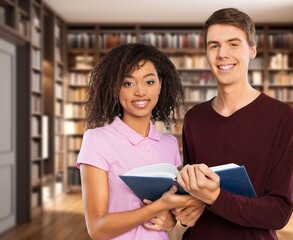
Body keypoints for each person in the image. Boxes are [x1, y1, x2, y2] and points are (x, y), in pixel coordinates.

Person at [173, 8, 293, 240]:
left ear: (252, 50)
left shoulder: (284, 118)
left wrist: (215, 197)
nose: (222, 53)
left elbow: (279, 213)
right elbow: (192, 194)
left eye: (233, 44)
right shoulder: (194, 118)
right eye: (214, 45)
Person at [77, 43, 201, 240]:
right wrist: (159, 207)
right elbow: (97, 228)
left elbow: (173, 215)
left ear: (160, 84)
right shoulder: (97, 140)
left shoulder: (169, 144)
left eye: (149, 82)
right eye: (128, 83)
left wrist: (171, 219)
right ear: (114, 88)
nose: (140, 92)